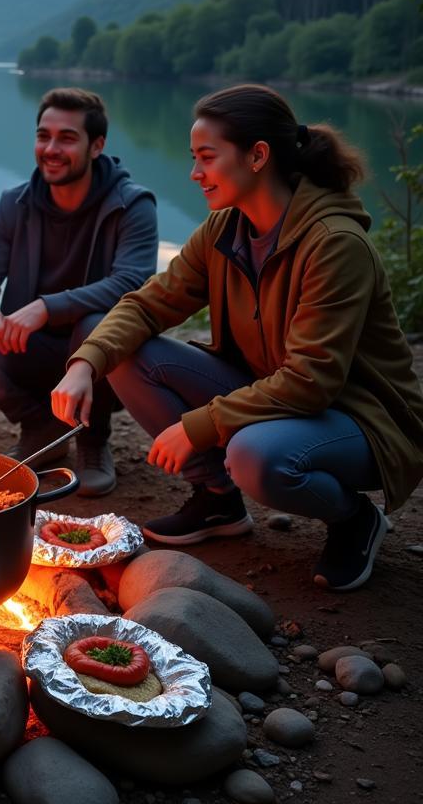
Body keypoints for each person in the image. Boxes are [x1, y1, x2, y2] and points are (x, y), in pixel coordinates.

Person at [52, 83, 423, 591]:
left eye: (207, 157)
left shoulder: (335, 245)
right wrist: (84, 363)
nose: (195, 172)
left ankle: (354, 518)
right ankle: (217, 502)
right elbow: (147, 303)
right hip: (274, 395)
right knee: (119, 345)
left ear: (258, 156)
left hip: (360, 419)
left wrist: (199, 425)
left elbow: (311, 382)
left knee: (255, 455)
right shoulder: (224, 229)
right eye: (193, 157)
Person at [0, 87, 158, 495]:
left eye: (67, 138)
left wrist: (47, 308)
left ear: (97, 145)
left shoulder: (133, 205)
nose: (51, 148)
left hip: (100, 363)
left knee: (97, 323)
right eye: (43, 136)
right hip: (26, 351)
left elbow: (132, 285)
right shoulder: (14, 203)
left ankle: (91, 438)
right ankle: (39, 425)